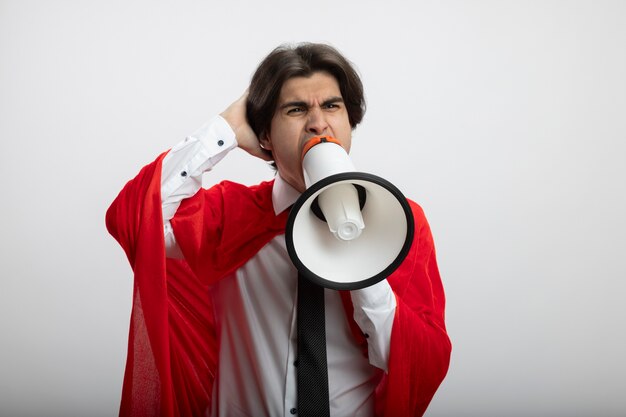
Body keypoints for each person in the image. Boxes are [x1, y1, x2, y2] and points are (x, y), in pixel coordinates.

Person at [106, 42, 451, 417]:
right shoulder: (232, 214)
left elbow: (420, 364)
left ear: (349, 123)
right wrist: (226, 128)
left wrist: (363, 262)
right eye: (296, 109)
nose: (318, 122)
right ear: (266, 136)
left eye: (332, 106)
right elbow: (136, 218)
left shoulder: (399, 223)